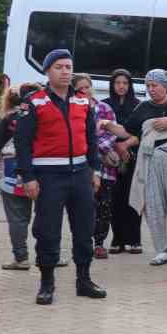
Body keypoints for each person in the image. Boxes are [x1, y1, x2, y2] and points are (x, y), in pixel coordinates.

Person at [14, 50, 106, 305]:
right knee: (47, 232)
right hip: (48, 177)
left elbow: (92, 141)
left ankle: (84, 280)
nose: (65, 71)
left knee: (84, 229)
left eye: (69, 67)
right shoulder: (33, 102)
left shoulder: (83, 102)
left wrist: (95, 170)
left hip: (80, 175)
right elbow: (22, 144)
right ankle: (46, 283)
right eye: (59, 67)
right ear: (47, 71)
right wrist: (28, 177)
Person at [119, 69, 167, 266]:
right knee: (153, 206)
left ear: (166, 86)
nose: (151, 89)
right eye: (148, 85)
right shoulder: (142, 108)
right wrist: (107, 126)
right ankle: (161, 250)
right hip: (150, 160)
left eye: (155, 85)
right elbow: (128, 131)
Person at [72, 73, 125, 263]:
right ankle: (83, 242)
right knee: (83, 207)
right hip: (81, 166)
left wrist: (99, 147)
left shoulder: (104, 108)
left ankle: (99, 243)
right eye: (81, 88)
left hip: (105, 168)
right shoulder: (71, 108)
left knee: (104, 206)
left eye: (87, 87)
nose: (85, 91)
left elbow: (113, 132)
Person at [0, 82, 37, 270]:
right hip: (42, 169)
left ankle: (21, 257)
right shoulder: (45, 114)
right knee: (47, 214)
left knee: (17, 217)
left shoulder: (10, 117)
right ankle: (52, 254)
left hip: (13, 170)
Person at [104, 69, 144, 253]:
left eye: (125, 83)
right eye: (117, 82)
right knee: (115, 199)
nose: (121, 86)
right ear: (112, 85)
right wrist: (114, 148)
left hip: (133, 156)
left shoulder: (139, 106)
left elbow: (142, 132)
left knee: (133, 197)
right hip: (110, 158)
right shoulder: (104, 105)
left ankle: (134, 239)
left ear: (130, 85)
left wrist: (126, 145)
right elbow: (101, 132)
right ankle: (117, 239)